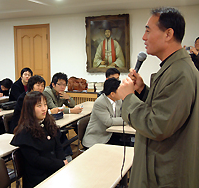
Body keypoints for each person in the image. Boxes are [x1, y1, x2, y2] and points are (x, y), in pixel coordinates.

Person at [117, 7, 199, 187]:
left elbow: (158, 125)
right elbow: (167, 109)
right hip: (160, 166)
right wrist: (142, 92)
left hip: (164, 173)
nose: (143, 37)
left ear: (168, 34)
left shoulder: (180, 72)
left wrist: (128, 98)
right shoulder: (174, 68)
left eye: (148, 30)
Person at [10, 91, 67, 187]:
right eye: (39, 106)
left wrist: (63, 161)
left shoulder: (47, 123)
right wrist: (59, 163)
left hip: (54, 170)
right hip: (38, 177)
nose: (44, 109)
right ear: (30, 109)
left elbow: (58, 146)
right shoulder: (25, 132)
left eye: (45, 105)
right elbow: (36, 160)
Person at [83, 78, 123, 148]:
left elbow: (123, 114)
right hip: (97, 138)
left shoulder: (118, 100)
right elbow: (108, 121)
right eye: (120, 90)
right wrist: (126, 120)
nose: (122, 92)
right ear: (112, 94)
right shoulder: (100, 102)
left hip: (111, 134)